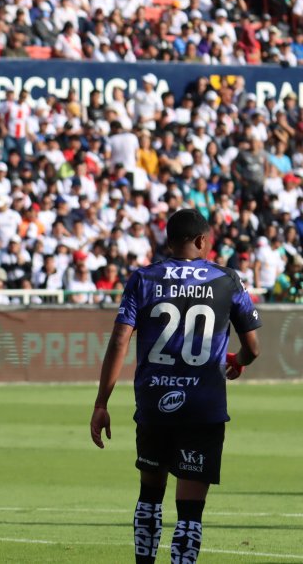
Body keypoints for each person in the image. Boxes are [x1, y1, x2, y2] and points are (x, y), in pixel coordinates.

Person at [91, 208, 260, 564]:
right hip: (204, 405)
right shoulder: (227, 279)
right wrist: (238, 360)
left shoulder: (143, 278)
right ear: (201, 241)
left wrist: (101, 403)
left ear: (168, 242)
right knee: (190, 513)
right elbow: (253, 348)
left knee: (149, 497)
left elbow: (120, 340)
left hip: (155, 403)